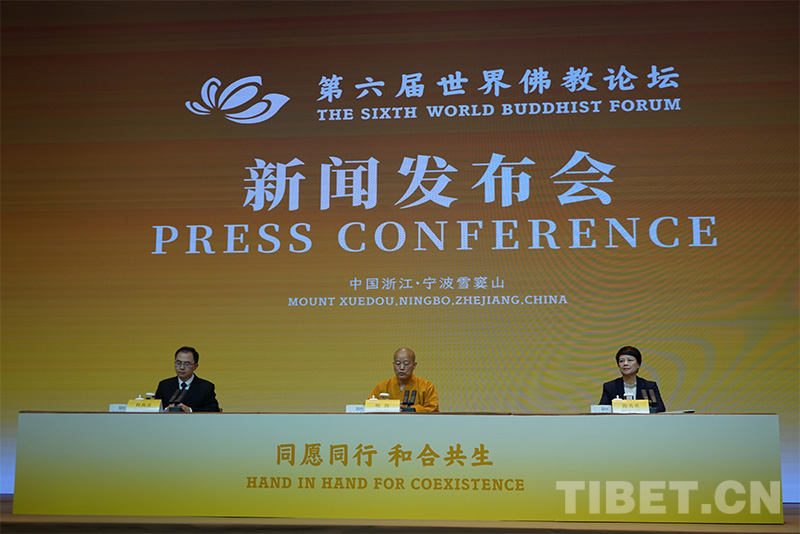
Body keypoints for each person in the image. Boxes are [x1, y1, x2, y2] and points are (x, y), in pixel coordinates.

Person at [370, 347, 439, 412]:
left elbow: (433, 410)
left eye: (406, 364)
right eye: (398, 363)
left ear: (414, 365)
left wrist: (409, 409)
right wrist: (391, 407)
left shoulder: (426, 386)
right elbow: (368, 407)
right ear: (393, 364)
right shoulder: (382, 386)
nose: (402, 367)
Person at [599, 346, 666, 412]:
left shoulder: (649, 386)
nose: (625, 363)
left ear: (638, 364)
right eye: (621, 361)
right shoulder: (610, 387)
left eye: (630, 360)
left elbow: (660, 408)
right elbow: (601, 410)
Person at [155, 346, 221, 412]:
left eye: (187, 364)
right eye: (178, 363)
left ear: (195, 366)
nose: (182, 367)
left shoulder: (206, 387)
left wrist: (190, 410)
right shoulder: (164, 385)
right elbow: (154, 409)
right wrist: (166, 410)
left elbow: (214, 410)